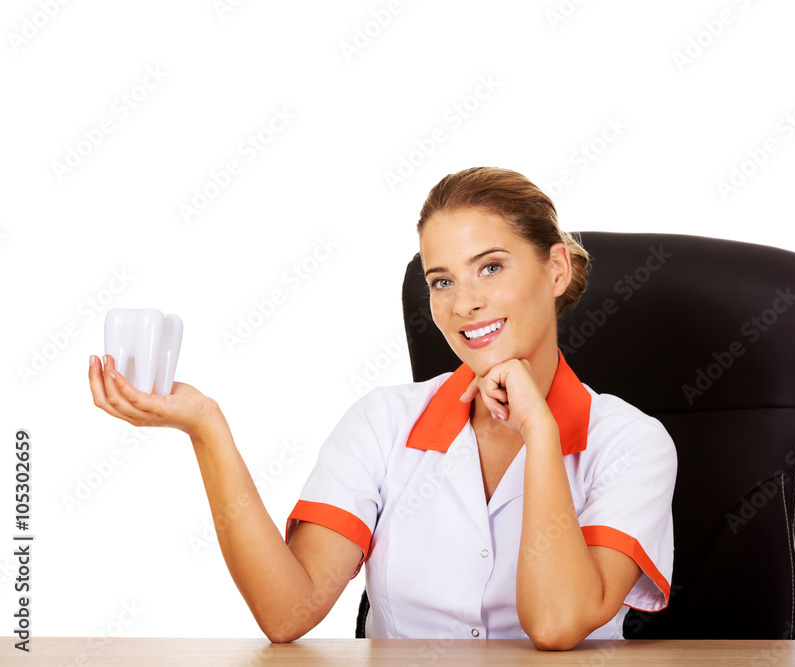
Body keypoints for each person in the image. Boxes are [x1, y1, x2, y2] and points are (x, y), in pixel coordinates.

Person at [88, 166, 677, 651]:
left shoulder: (632, 444)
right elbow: (287, 613)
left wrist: (542, 435)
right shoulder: (382, 422)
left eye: (490, 268)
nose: (464, 304)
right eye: (440, 281)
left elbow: (556, 625)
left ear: (556, 269)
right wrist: (207, 429)